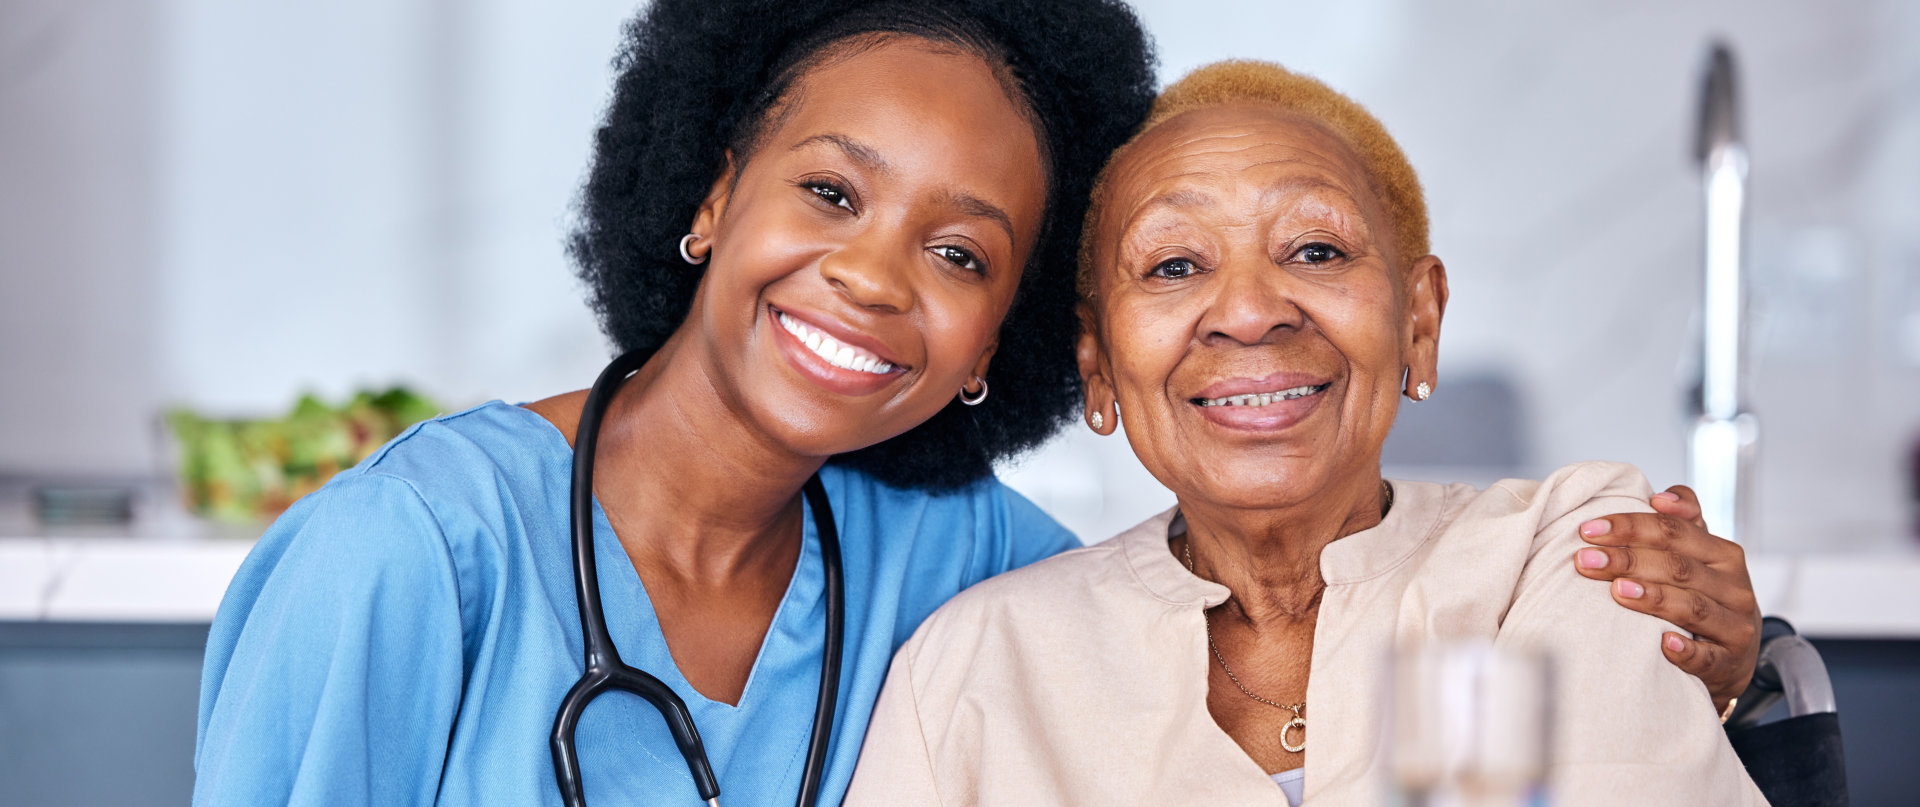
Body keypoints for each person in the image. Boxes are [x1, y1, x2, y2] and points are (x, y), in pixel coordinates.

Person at [192, 2, 1154, 804]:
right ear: (714, 196)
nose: (872, 279)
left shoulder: (953, 554)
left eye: (960, 255)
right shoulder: (408, 547)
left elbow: (1215, 620)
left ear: (994, 337)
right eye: (829, 190)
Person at [843, 61, 1766, 806]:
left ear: (1419, 319)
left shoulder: (1548, 561)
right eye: (1173, 263)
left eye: (1315, 250)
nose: (1247, 311)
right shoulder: (977, 667)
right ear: (1098, 366)